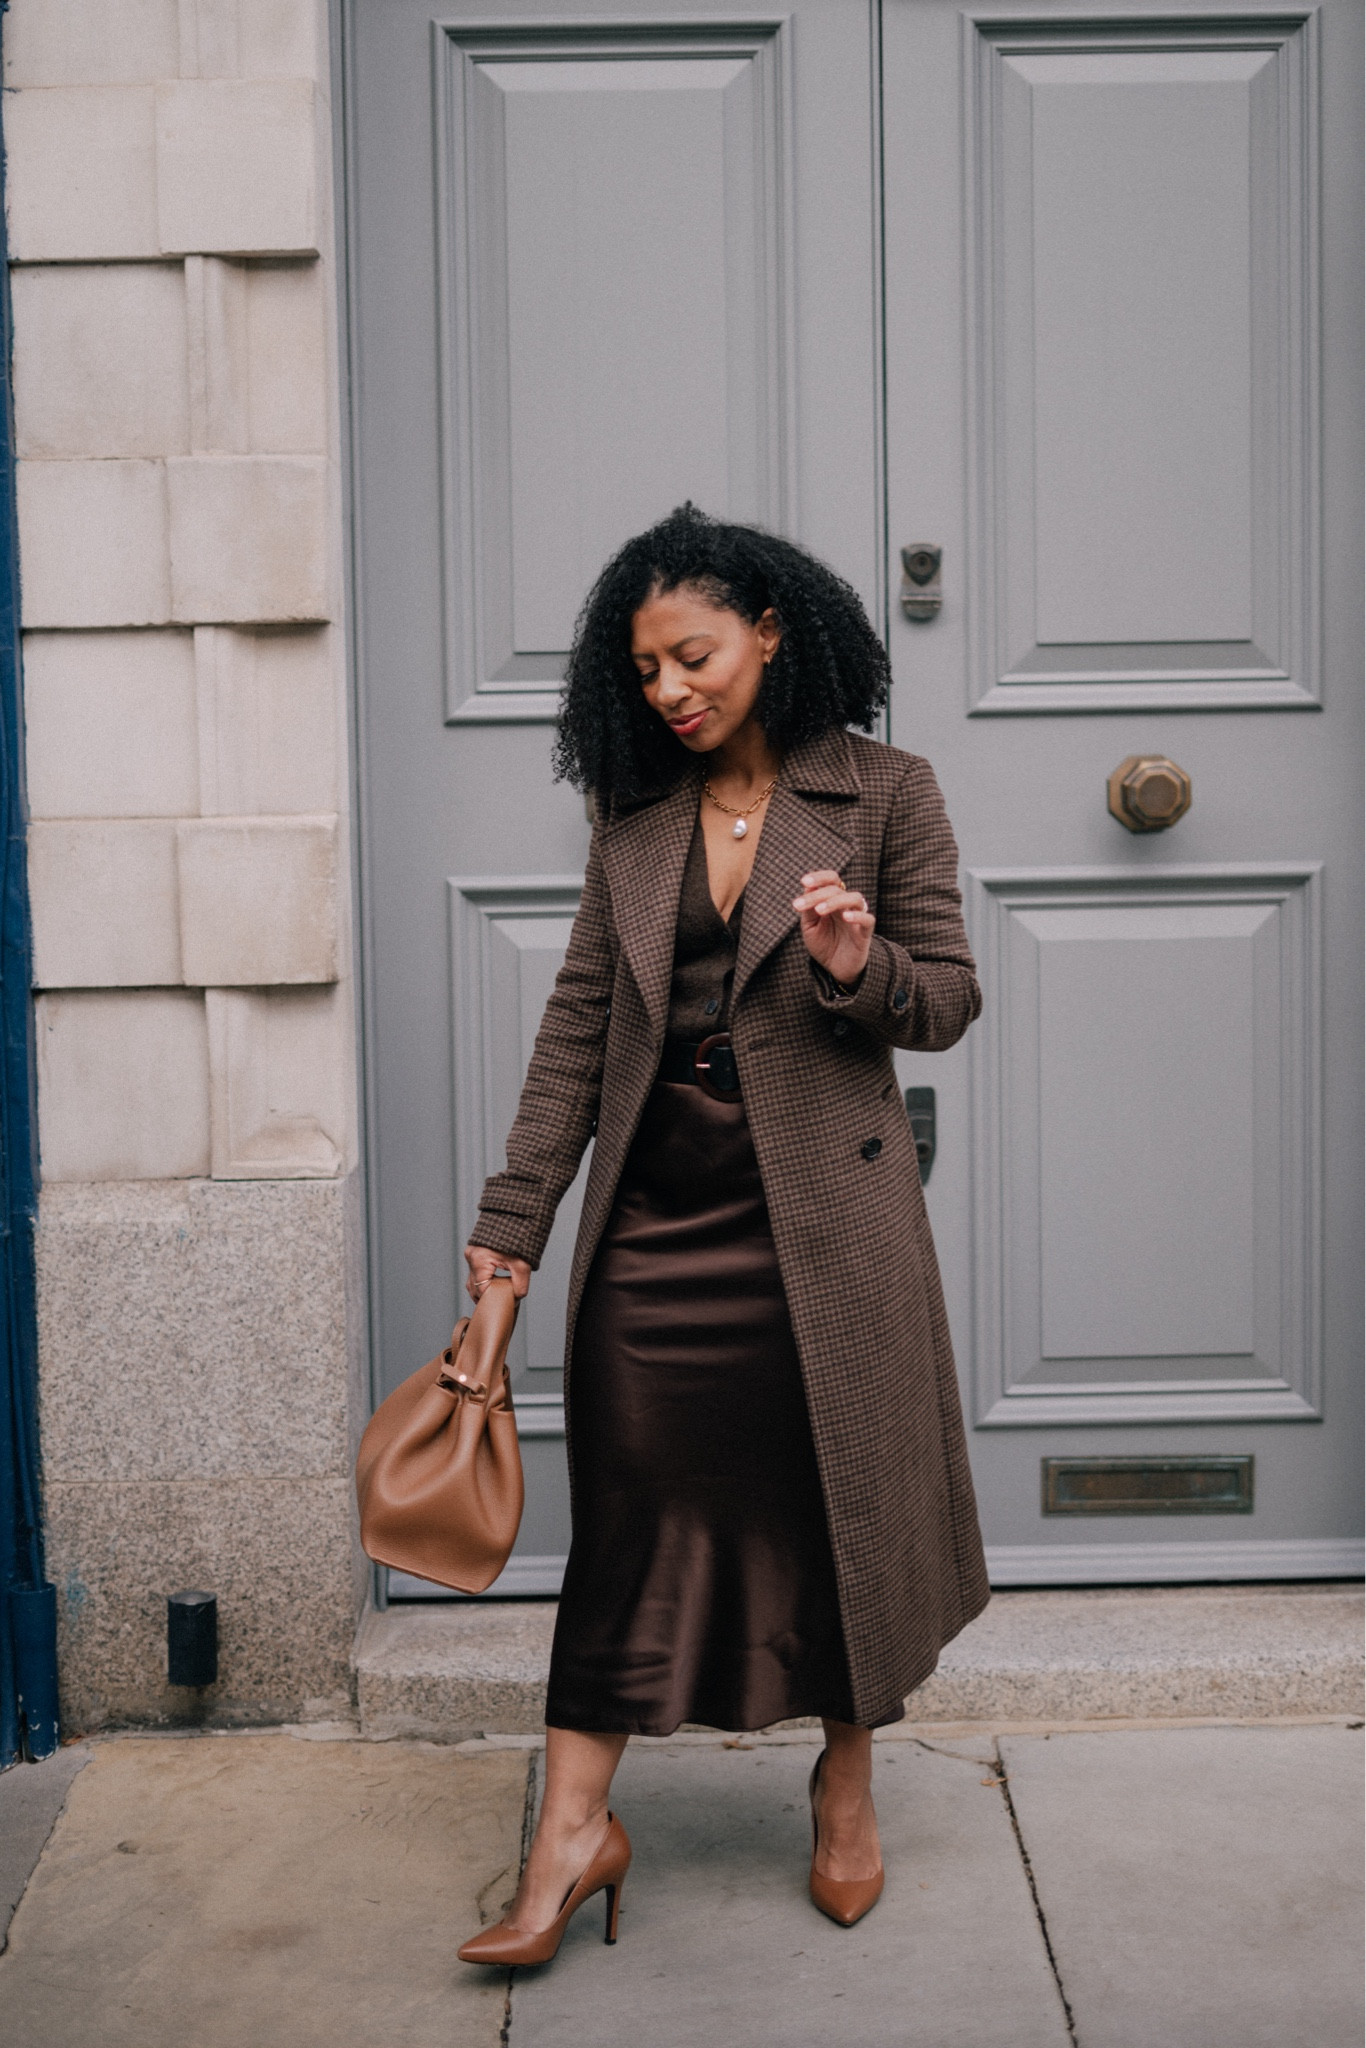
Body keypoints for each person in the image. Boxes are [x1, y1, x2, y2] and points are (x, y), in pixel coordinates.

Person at [457, 504, 987, 1966]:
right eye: (641, 672)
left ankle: (848, 1773)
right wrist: (513, 1224)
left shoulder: (886, 791)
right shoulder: (630, 825)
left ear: (770, 630)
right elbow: (578, 1028)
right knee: (623, 1523)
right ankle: (574, 1833)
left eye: (689, 655)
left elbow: (944, 999)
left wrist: (854, 964)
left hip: (817, 1221)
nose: (668, 690)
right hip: (653, 1220)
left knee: (836, 1503)